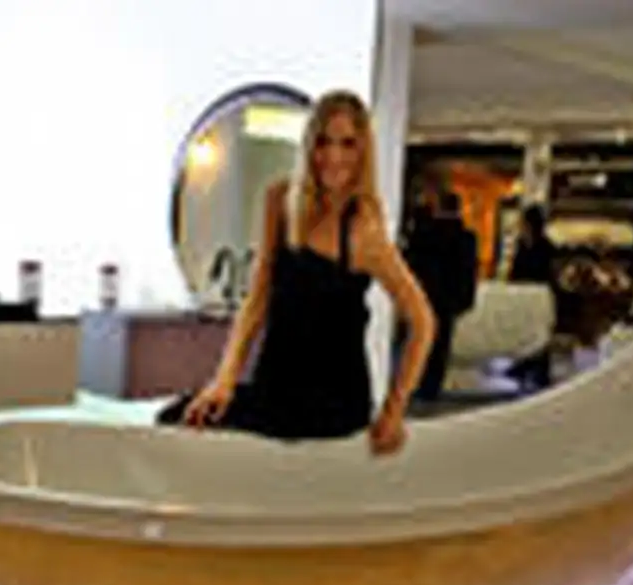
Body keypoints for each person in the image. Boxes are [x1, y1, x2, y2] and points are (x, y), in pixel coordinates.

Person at [156, 90, 436, 456]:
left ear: (362, 152)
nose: (333, 156)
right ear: (309, 145)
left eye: (347, 144)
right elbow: (256, 301)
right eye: (323, 142)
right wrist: (224, 379)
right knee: (179, 417)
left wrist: (394, 410)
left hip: (333, 401)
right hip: (274, 384)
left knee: (192, 428)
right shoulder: (281, 201)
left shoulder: (363, 230)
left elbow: (423, 321)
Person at [401, 189, 479, 401]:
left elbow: (412, 262)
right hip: (449, 299)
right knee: (441, 344)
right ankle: (432, 386)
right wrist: (465, 299)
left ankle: (414, 381)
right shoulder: (466, 238)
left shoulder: (426, 234)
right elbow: (469, 271)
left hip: (425, 296)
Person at [506, 204, 558, 390]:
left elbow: (547, 274)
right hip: (523, 296)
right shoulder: (522, 244)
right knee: (524, 331)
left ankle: (539, 368)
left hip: (538, 297)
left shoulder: (546, 247)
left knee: (539, 333)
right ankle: (525, 364)